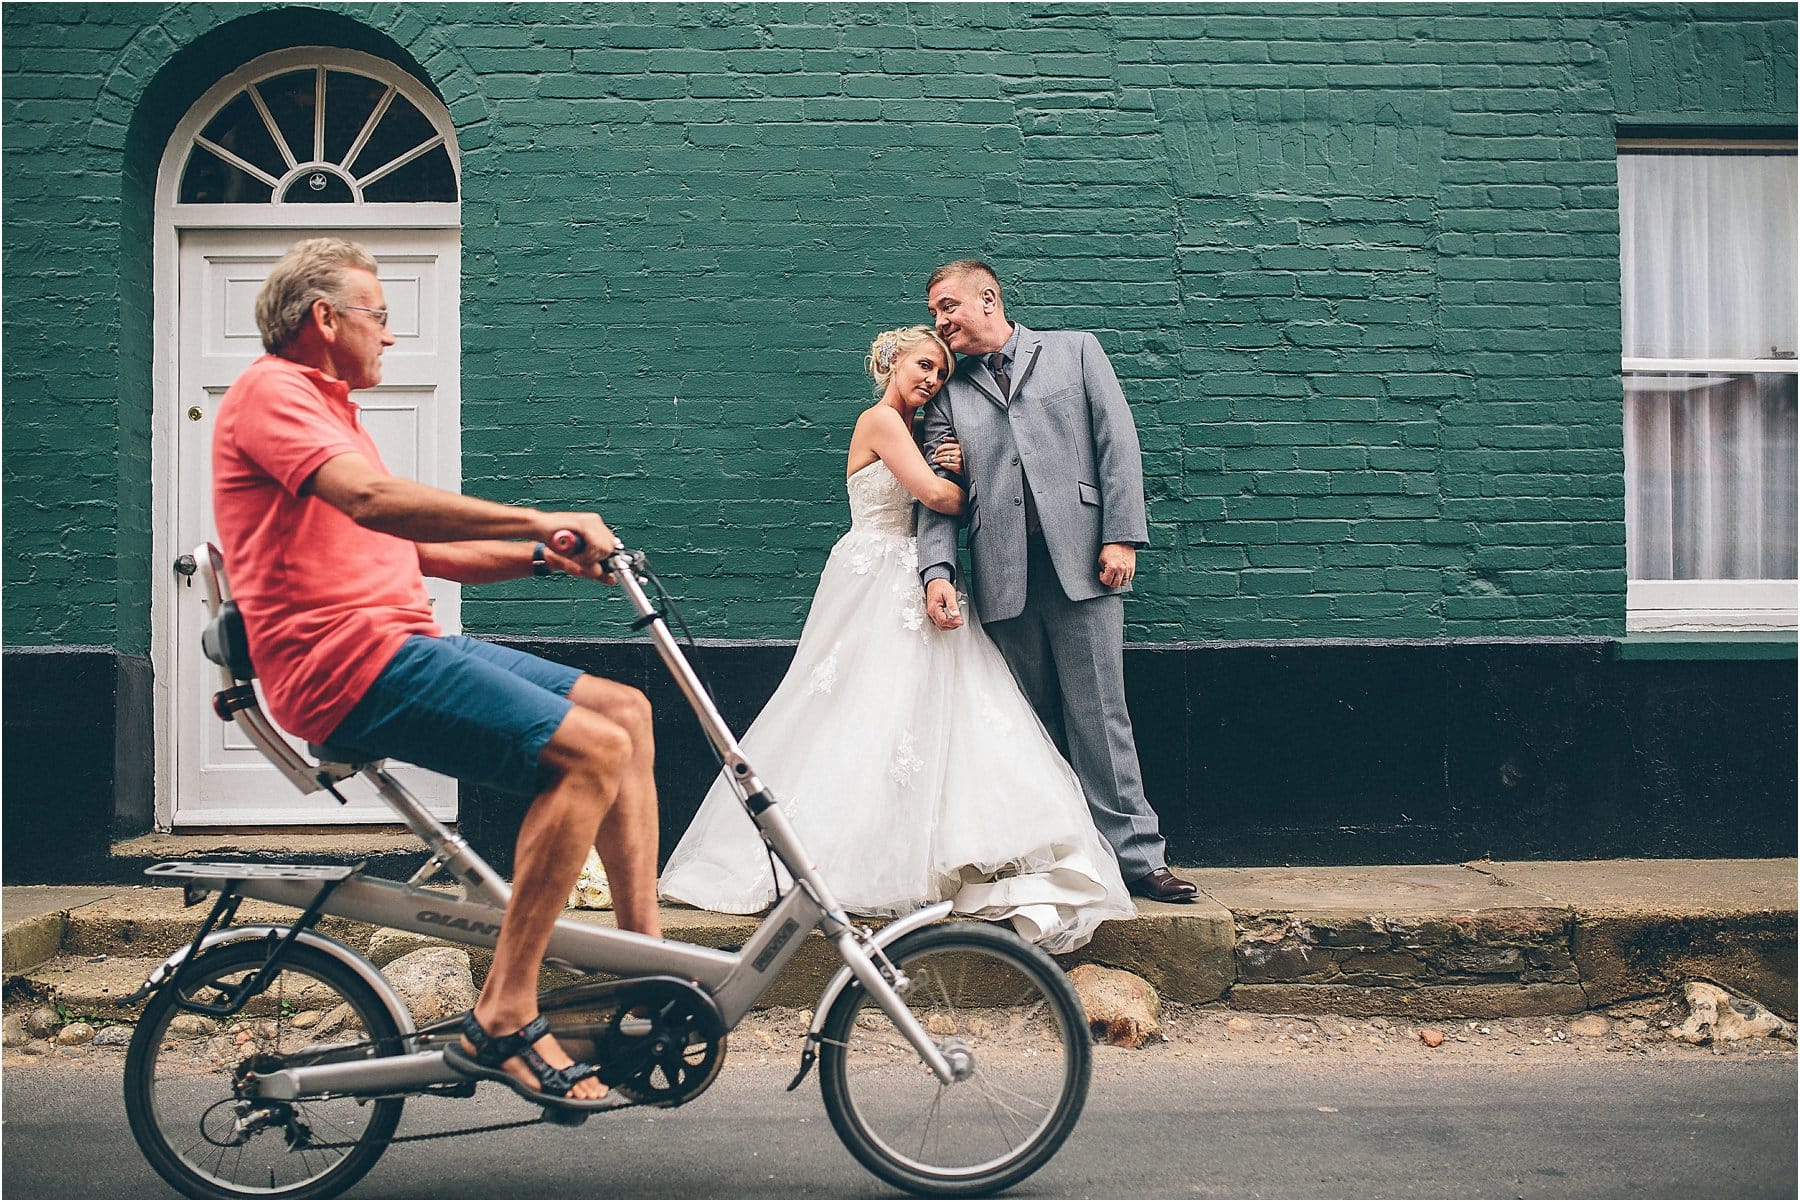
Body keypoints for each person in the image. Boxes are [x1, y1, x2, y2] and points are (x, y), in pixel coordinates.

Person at [211, 236, 658, 1111]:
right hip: (345, 662)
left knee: (629, 711)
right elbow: (371, 503)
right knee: (592, 752)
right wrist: (542, 512)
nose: (389, 335)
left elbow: (419, 550)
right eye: (378, 315)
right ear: (325, 319)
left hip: (403, 642)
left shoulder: (331, 410)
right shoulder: (272, 395)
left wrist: (539, 556)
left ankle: (643, 976)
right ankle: (504, 1005)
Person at [658, 325, 1135, 953]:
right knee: (857, 707)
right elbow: (936, 494)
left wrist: (960, 465)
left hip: (913, 571)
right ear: (891, 362)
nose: (931, 380)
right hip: (878, 574)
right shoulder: (881, 421)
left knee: (927, 712)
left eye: (940, 372)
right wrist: (972, 473)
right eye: (922, 365)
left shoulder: (917, 428)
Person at [918, 259, 1198, 903]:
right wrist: (938, 570)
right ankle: (1049, 858)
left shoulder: (1075, 352)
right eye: (935, 311)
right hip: (1001, 575)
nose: (940, 321)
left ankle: (1136, 859)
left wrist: (1121, 535)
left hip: (1084, 564)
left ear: (988, 299)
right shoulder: (950, 395)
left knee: (1102, 715)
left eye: (947, 306)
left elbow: (1116, 442)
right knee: (1024, 725)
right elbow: (937, 493)